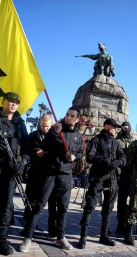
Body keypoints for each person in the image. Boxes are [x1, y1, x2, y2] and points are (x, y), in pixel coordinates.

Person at [20, 107, 84, 252]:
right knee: (39, 204)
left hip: (66, 175)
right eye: (67, 114)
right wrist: (54, 132)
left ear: (77, 119)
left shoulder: (78, 136)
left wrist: (74, 157)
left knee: (63, 207)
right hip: (49, 172)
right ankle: (28, 237)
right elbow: (44, 145)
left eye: (72, 116)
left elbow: (80, 152)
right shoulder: (56, 130)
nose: (68, 118)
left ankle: (60, 237)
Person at [77, 118, 126, 249]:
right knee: (90, 206)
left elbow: (123, 158)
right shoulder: (96, 140)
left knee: (108, 208)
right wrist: (105, 160)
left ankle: (104, 235)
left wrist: (116, 162)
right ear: (106, 126)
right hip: (98, 178)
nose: (116, 129)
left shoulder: (116, 142)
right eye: (114, 126)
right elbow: (90, 157)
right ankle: (83, 237)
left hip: (112, 178)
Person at [0, 92, 29, 256]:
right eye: (10, 101)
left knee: (6, 207)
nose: (13, 104)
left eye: (16, 103)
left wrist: (22, 162)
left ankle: (2, 239)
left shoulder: (20, 124)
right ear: (3, 102)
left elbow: (26, 146)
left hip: (10, 170)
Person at [23, 114, 53, 233]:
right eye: (42, 126)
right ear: (39, 123)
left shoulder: (54, 135)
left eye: (47, 126)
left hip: (48, 172)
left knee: (43, 201)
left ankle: (51, 227)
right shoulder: (33, 135)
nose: (45, 128)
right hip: (34, 171)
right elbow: (27, 148)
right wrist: (36, 151)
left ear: (51, 124)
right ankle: (27, 225)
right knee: (30, 199)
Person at [116, 121, 137, 234]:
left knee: (133, 200)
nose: (124, 129)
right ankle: (120, 223)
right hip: (121, 174)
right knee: (122, 200)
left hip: (133, 175)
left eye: (126, 127)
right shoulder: (117, 141)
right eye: (123, 128)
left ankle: (129, 222)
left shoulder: (134, 142)